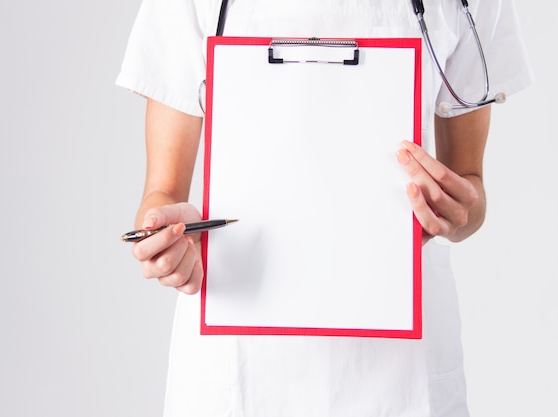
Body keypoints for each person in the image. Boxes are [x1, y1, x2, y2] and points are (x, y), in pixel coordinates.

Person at [116, 1, 533, 416]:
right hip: (237, 366)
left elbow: (469, 190)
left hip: (403, 375)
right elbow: (162, 195)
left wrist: (458, 214)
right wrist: (165, 243)